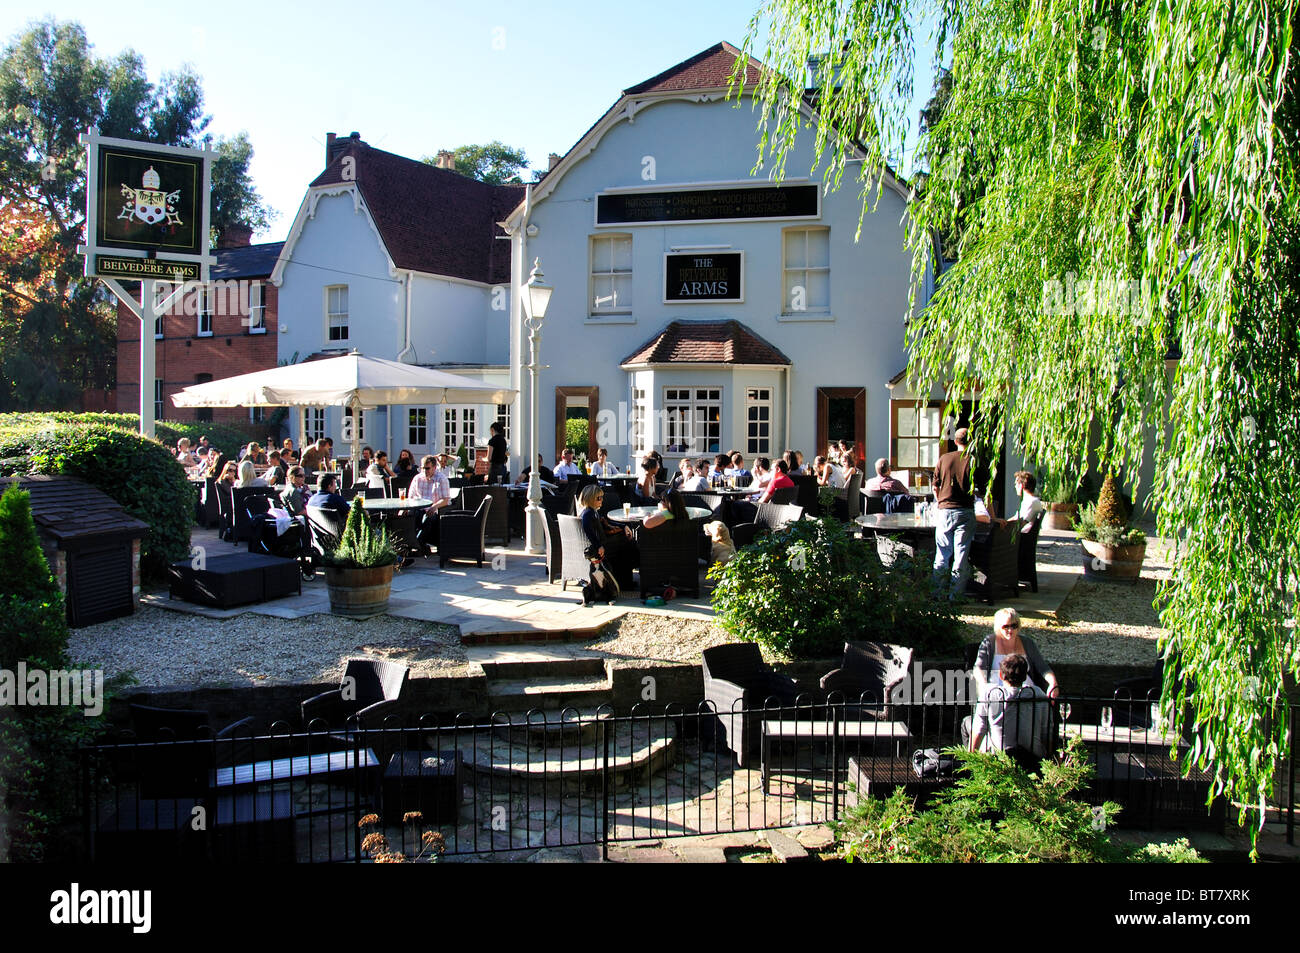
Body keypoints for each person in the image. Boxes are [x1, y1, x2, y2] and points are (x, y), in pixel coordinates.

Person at [968, 653, 1052, 759]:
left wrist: (970, 759)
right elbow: (1048, 733)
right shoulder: (1038, 694)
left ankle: (970, 765)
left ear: (1001, 675)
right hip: (1032, 759)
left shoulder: (990, 693)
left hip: (998, 758)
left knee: (967, 722)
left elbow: (979, 730)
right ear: (1025, 676)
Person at [932, 427, 977, 599]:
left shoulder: (944, 459)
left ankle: (937, 593)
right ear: (971, 442)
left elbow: (935, 486)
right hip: (965, 510)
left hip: (945, 511)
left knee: (942, 553)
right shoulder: (973, 461)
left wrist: (939, 501)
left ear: (956, 441)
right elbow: (982, 492)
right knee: (961, 555)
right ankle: (955, 596)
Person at [972, 607, 1059, 697]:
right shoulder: (989, 642)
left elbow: (1042, 667)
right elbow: (979, 668)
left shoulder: (1027, 642)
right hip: (997, 692)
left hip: (1025, 691)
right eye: (1006, 626)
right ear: (998, 627)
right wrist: (984, 687)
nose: (1010, 630)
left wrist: (1053, 683)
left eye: (1014, 626)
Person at [577, 483, 635, 598]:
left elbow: (606, 522)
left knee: (627, 543)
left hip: (603, 542)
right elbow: (588, 531)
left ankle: (624, 581)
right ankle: (625, 581)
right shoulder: (588, 513)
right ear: (591, 499)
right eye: (599, 498)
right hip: (601, 546)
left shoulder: (592, 511)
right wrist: (599, 546)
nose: (601, 500)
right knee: (629, 546)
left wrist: (623, 526)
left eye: (602, 497)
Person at [411, 455, 453, 553]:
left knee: (427, 518)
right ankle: (412, 545)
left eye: (427, 468)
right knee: (408, 516)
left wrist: (435, 506)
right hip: (419, 508)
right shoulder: (417, 478)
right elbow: (411, 497)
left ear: (434, 467)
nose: (424, 471)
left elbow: (446, 500)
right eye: (422, 468)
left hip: (435, 510)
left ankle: (417, 545)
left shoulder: (441, 479)